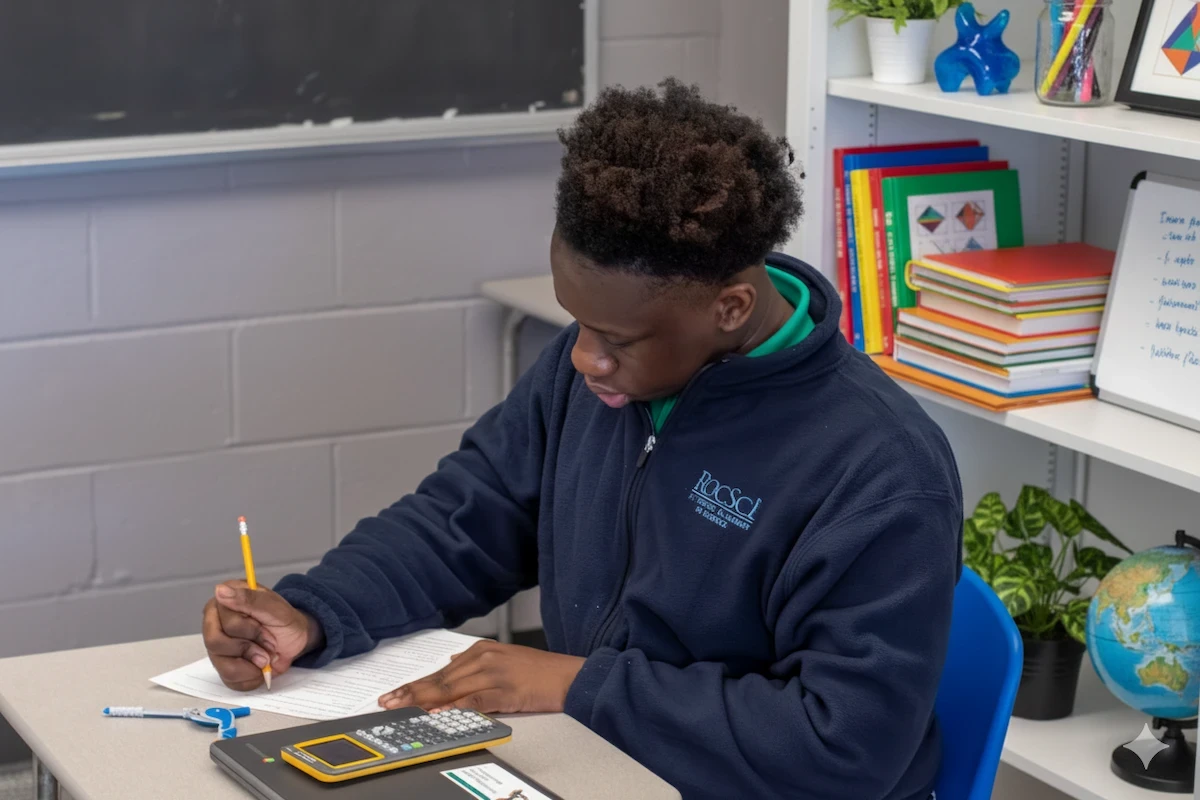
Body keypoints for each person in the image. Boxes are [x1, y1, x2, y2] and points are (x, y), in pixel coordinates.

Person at [202, 79, 963, 799]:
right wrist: (317, 612)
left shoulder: (880, 471)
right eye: (578, 321)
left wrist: (576, 684)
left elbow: (844, 745)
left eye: (616, 337)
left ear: (730, 308)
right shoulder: (600, 376)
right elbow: (468, 516)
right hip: (604, 759)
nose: (581, 357)